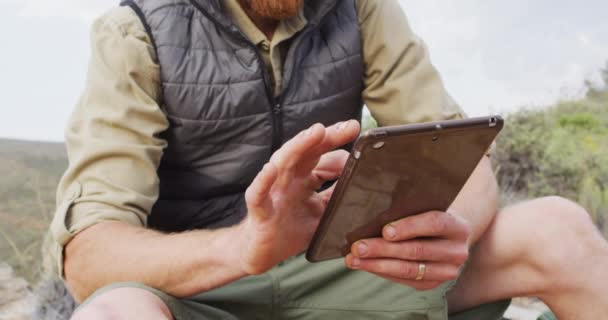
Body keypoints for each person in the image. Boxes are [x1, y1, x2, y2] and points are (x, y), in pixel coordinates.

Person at [46, 0, 608, 319]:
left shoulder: (361, 9)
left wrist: (449, 228)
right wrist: (244, 246)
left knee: (558, 229)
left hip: (345, 266)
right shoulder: (133, 33)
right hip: (204, 293)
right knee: (116, 315)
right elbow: (91, 258)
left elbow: (462, 158)